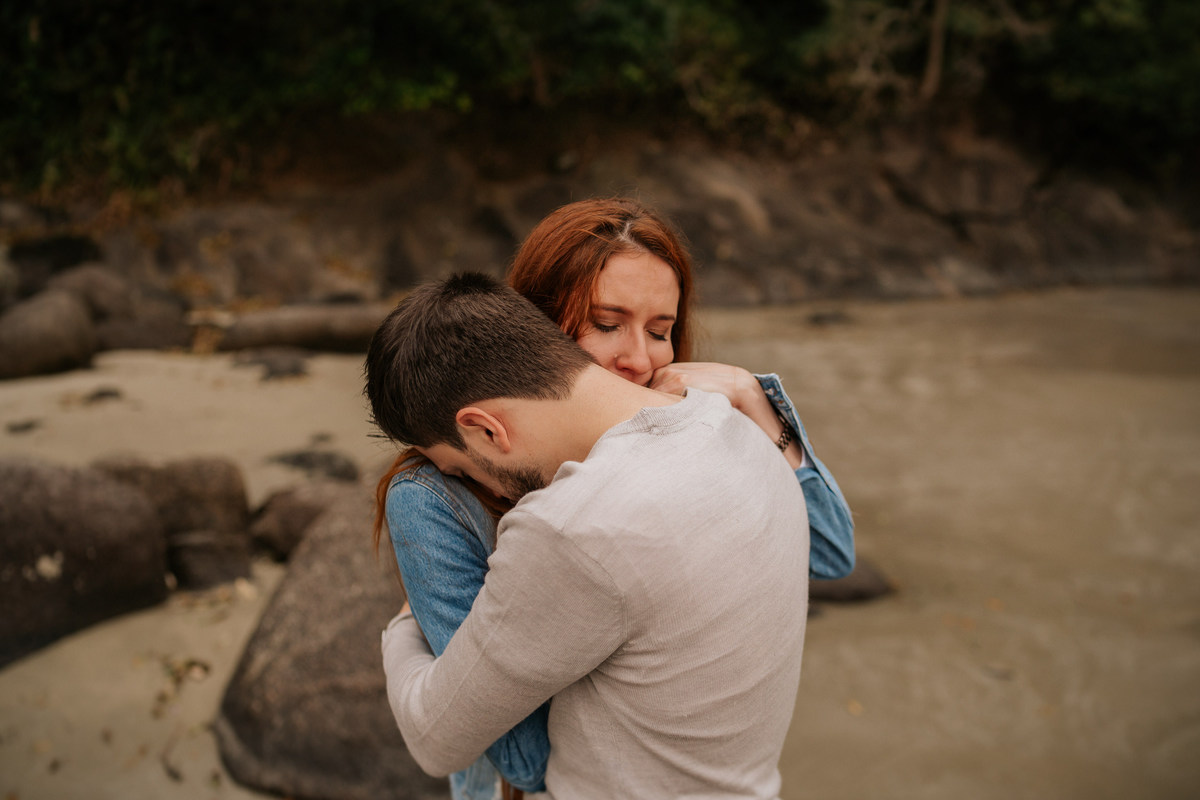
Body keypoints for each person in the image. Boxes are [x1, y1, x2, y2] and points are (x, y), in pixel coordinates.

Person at [371, 197, 854, 798]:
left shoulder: (582, 518)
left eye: (660, 331)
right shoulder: (730, 439)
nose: (638, 359)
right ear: (533, 328)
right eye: (605, 324)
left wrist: (404, 619)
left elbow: (446, 737)